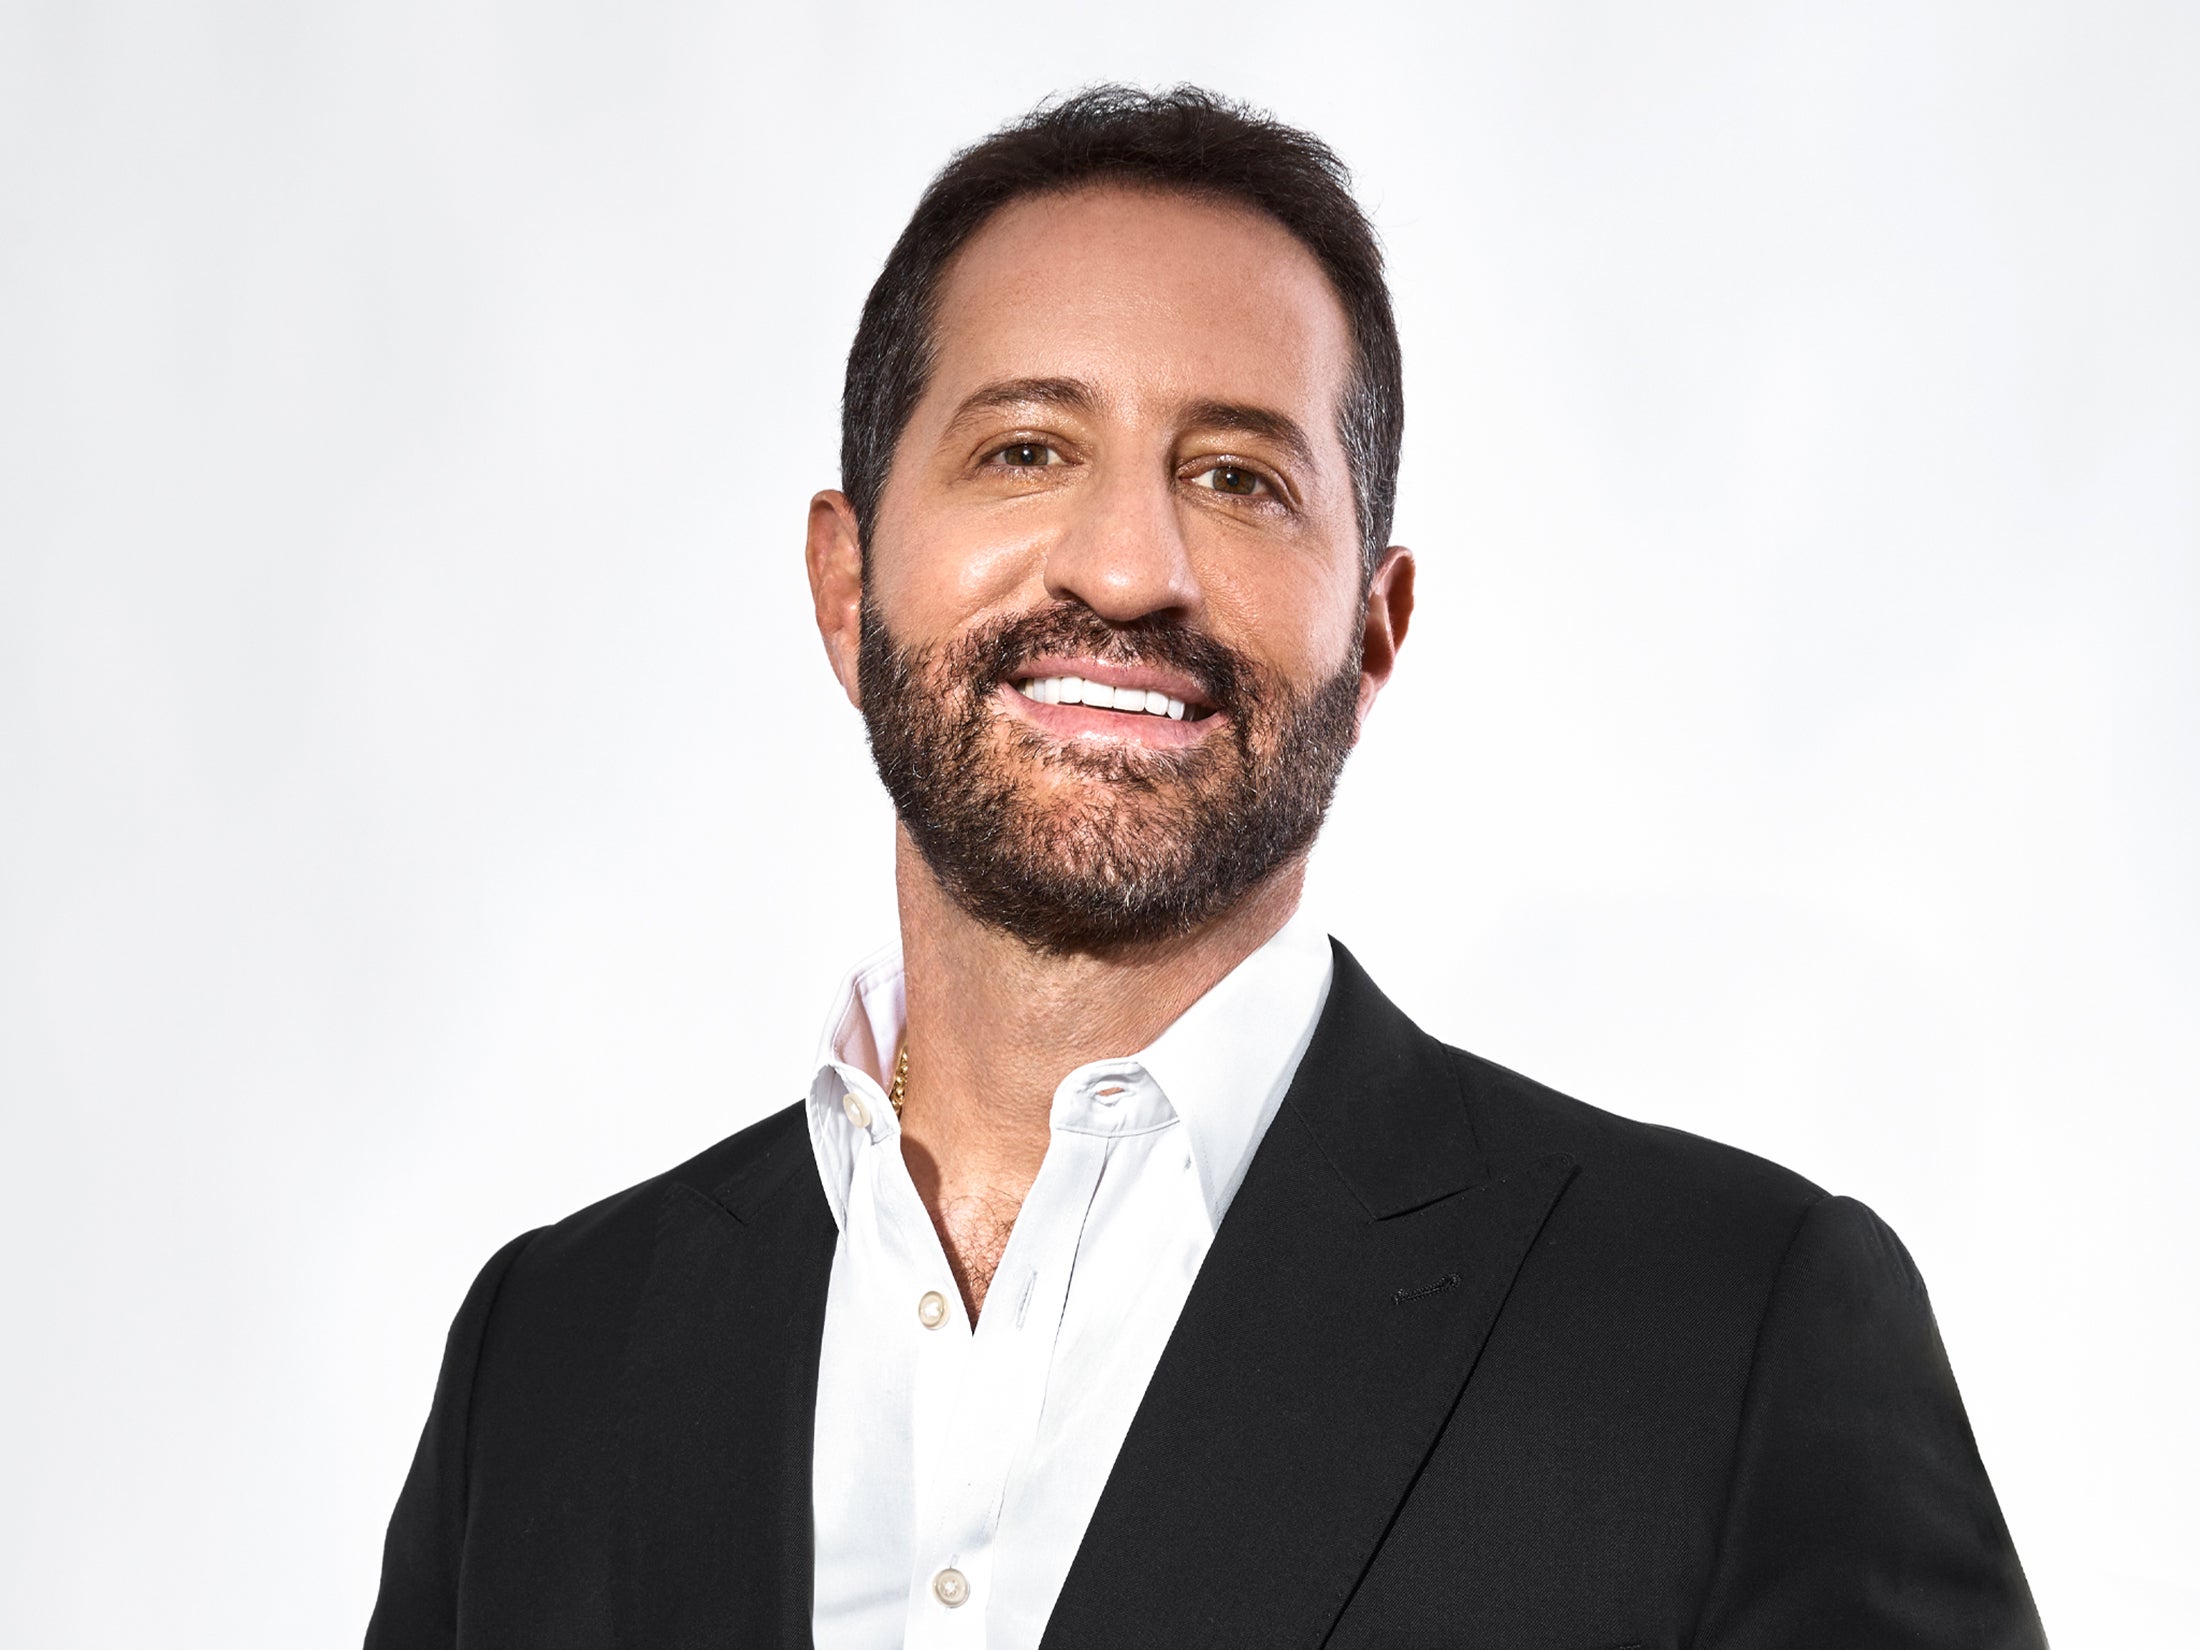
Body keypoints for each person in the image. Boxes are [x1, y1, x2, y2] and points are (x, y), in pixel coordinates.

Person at [366, 86, 2045, 1649]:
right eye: (1026, 448)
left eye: (1238, 478)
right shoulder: (548, 1356)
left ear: (1372, 634)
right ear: (845, 582)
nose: (1126, 567)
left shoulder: (1730, 1330)